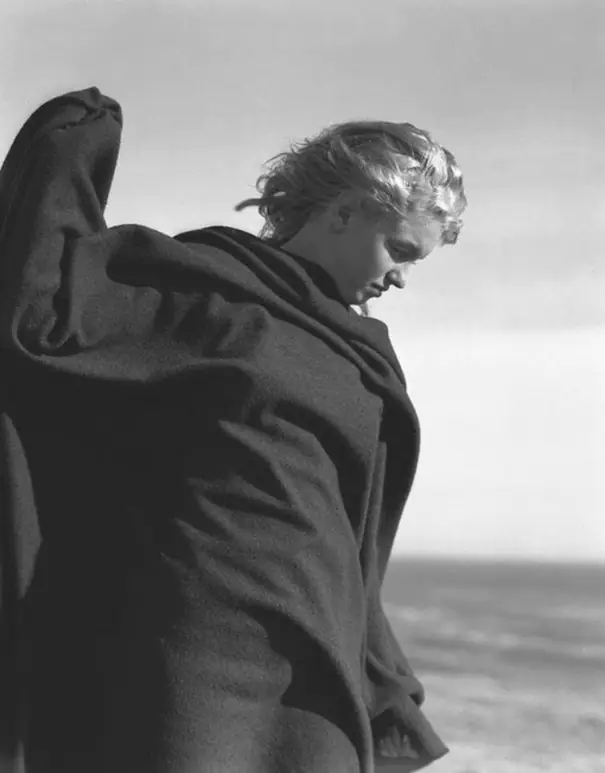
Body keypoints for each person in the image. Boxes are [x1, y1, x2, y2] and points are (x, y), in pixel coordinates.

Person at [0, 88, 466, 773]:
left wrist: (384, 688)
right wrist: (71, 143)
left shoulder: (363, 355)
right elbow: (39, 311)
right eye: (398, 249)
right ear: (345, 210)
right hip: (197, 656)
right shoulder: (198, 289)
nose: (400, 277)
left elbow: (353, 535)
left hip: (313, 663)